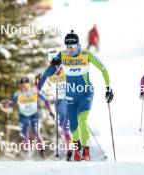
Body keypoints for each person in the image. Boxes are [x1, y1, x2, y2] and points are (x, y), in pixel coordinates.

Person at [38, 30, 114, 161]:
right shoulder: (63, 55)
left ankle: (86, 150)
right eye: (68, 47)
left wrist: (108, 88)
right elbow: (48, 73)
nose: (70, 49)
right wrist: (52, 66)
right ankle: (77, 146)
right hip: (70, 95)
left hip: (86, 93)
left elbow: (103, 69)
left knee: (82, 121)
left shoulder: (86, 55)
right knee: (73, 126)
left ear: (78, 45)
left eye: (72, 46)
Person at [4, 77, 54, 158]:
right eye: (22, 85)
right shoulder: (18, 93)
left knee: (36, 133)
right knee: (24, 136)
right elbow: (9, 101)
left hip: (34, 115)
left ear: (29, 85)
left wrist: (50, 111)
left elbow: (46, 100)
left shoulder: (34, 91)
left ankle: (43, 154)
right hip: (23, 116)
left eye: (26, 85)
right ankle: (26, 154)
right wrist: (6, 104)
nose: (24, 87)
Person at [45, 70, 72, 161]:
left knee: (65, 128)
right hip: (58, 103)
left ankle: (71, 151)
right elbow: (45, 80)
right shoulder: (52, 76)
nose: (57, 70)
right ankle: (70, 149)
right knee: (61, 128)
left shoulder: (67, 73)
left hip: (67, 101)